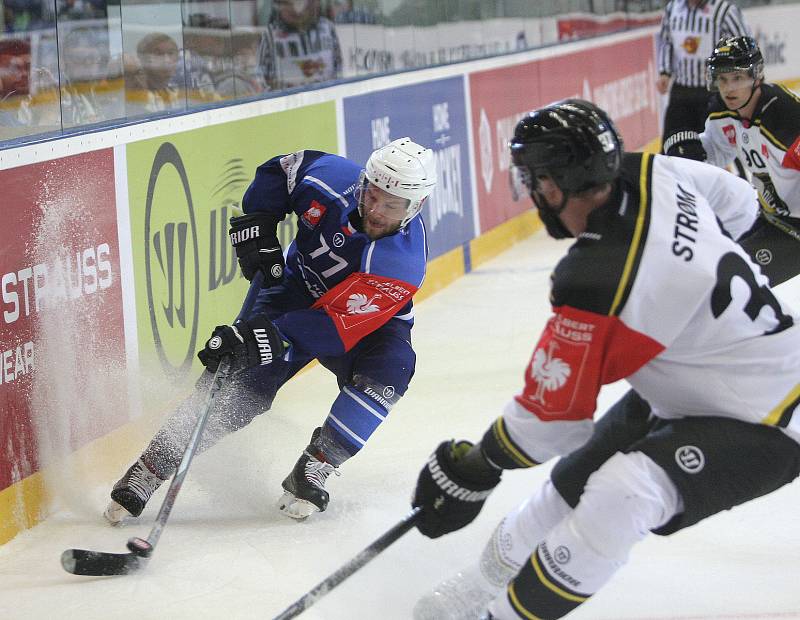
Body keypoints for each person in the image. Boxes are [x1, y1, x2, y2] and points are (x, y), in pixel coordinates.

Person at [410, 99, 800, 620]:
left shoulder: (599, 276)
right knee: (575, 478)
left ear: (552, 187)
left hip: (773, 416)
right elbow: (739, 204)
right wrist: (694, 269)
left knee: (623, 494)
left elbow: (550, 420)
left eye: (533, 181)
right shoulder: (646, 168)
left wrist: (475, 469)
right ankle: (475, 587)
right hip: (696, 384)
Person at [105, 137, 437, 523]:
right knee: (238, 388)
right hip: (294, 290)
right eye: (373, 195)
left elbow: (331, 329)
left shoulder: (401, 264)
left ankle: (317, 464)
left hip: (364, 323)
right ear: (364, 184)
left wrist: (261, 337)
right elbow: (282, 170)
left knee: (390, 369)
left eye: (393, 205)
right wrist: (259, 221)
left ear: (415, 206)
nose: (377, 210)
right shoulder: (331, 179)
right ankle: (150, 467)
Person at [664, 35, 800, 287]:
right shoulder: (723, 112)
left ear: (756, 76)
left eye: (737, 78)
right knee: (718, 272)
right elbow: (715, 152)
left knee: (733, 283)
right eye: (723, 79)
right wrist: (689, 152)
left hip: (795, 228)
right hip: (772, 219)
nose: (729, 88)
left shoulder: (782, 115)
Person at [657, 0, 750, 149]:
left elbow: (745, 48)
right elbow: (666, 41)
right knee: (671, 148)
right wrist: (665, 72)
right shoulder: (672, 8)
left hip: (713, 93)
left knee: (713, 152)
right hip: (681, 91)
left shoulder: (724, 11)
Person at [256, 0, 342, 91]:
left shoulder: (328, 28)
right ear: (278, 6)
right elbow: (261, 77)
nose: (297, 10)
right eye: (289, 4)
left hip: (327, 99)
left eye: (304, 3)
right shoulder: (270, 35)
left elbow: (338, 68)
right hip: (287, 102)